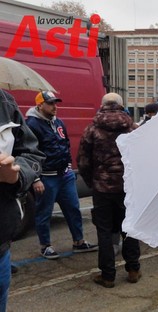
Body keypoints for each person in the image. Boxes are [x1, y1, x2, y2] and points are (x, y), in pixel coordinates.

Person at [77, 92, 141, 288]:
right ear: (121, 106)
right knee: (129, 228)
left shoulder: (92, 130)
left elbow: (83, 161)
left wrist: (93, 181)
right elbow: (142, 157)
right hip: (127, 187)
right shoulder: (133, 128)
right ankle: (133, 269)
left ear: (102, 105)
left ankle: (108, 275)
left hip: (102, 188)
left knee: (104, 232)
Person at [25, 91, 97, 259]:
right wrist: (35, 178)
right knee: (44, 212)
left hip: (65, 176)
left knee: (73, 208)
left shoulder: (59, 122)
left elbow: (64, 144)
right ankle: (45, 245)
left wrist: (69, 166)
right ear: (40, 105)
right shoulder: (32, 125)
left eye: (55, 103)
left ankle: (78, 241)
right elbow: (29, 152)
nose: (55, 106)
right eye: (50, 103)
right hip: (46, 177)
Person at [1, 89, 44, 312]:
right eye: (51, 103)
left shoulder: (5, 101)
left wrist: (16, 175)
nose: (55, 106)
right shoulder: (37, 121)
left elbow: (32, 153)